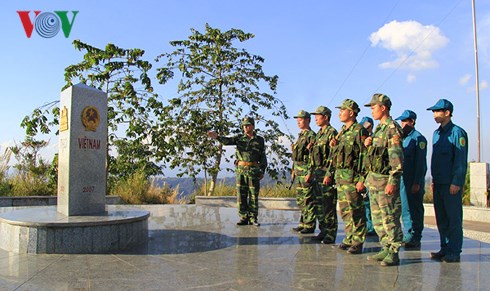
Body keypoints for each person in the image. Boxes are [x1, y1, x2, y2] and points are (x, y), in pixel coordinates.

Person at [364, 93, 404, 266]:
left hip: (385, 181)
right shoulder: (379, 129)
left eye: (374, 107)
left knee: (390, 218)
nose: (372, 111)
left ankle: (394, 252)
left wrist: (393, 181)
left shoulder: (392, 128)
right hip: (374, 181)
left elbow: (396, 157)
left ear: (384, 107)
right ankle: (385, 247)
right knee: (378, 219)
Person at [427, 99, 468, 263]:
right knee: (441, 218)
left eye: (438, 111)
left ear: (447, 113)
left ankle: (454, 251)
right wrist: (433, 181)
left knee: (453, 219)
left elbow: (460, 160)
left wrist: (456, 182)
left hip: (451, 184)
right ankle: (445, 248)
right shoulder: (437, 133)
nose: (435, 115)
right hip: (438, 183)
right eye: (434, 112)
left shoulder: (457, 133)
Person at [325, 99, 368, 254]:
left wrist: (362, 179)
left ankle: (358, 241)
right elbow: (335, 155)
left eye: (342, 110)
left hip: (352, 177)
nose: (339, 113)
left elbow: (365, 156)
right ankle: (349, 238)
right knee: (345, 210)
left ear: (351, 112)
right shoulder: (342, 131)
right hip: (340, 177)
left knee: (356, 210)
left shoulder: (359, 131)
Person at [207, 117, 267, 226]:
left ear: (253, 126)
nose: (245, 127)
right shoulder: (240, 138)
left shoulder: (259, 140)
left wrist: (262, 170)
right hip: (241, 171)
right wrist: (217, 137)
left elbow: (263, 156)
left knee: (253, 195)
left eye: (248, 125)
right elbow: (227, 141)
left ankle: (253, 218)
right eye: (244, 125)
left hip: (253, 170)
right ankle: (243, 217)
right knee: (241, 195)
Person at [395, 110, 427, 249]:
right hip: (402, 179)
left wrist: (417, 182)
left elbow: (421, 164)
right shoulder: (402, 138)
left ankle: (415, 236)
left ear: (412, 121)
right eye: (402, 121)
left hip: (413, 180)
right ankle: (408, 234)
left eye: (405, 121)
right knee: (405, 209)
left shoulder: (418, 139)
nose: (403, 124)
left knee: (415, 209)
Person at [309, 106, 338, 244]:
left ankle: (330, 234)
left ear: (325, 117)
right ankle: (323, 230)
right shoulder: (318, 134)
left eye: (318, 115)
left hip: (326, 174)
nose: (315, 118)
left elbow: (334, 156)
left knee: (328, 205)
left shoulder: (332, 133)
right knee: (319, 205)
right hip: (317, 174)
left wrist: (329, 174)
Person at [291, 110, 317, 234]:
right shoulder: (300, 136)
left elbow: (314, 156)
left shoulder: (311, 135)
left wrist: (310, 172)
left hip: (306, 171)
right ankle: (303, 222)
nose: (298, 122)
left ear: (307, 120)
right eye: (297, 120)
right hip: (298, 171)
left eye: (300, 119)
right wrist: (293, 170)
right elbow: (296, 156)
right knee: (301, 200)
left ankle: (310, 224)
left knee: (308, 199)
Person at [359, 116, 376, 236]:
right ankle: (367, 225)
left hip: (372, 175)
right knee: (364, 202)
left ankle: (372, 227)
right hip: (362, 175)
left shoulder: (375, 139)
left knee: (372, 203)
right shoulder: (361, 140)